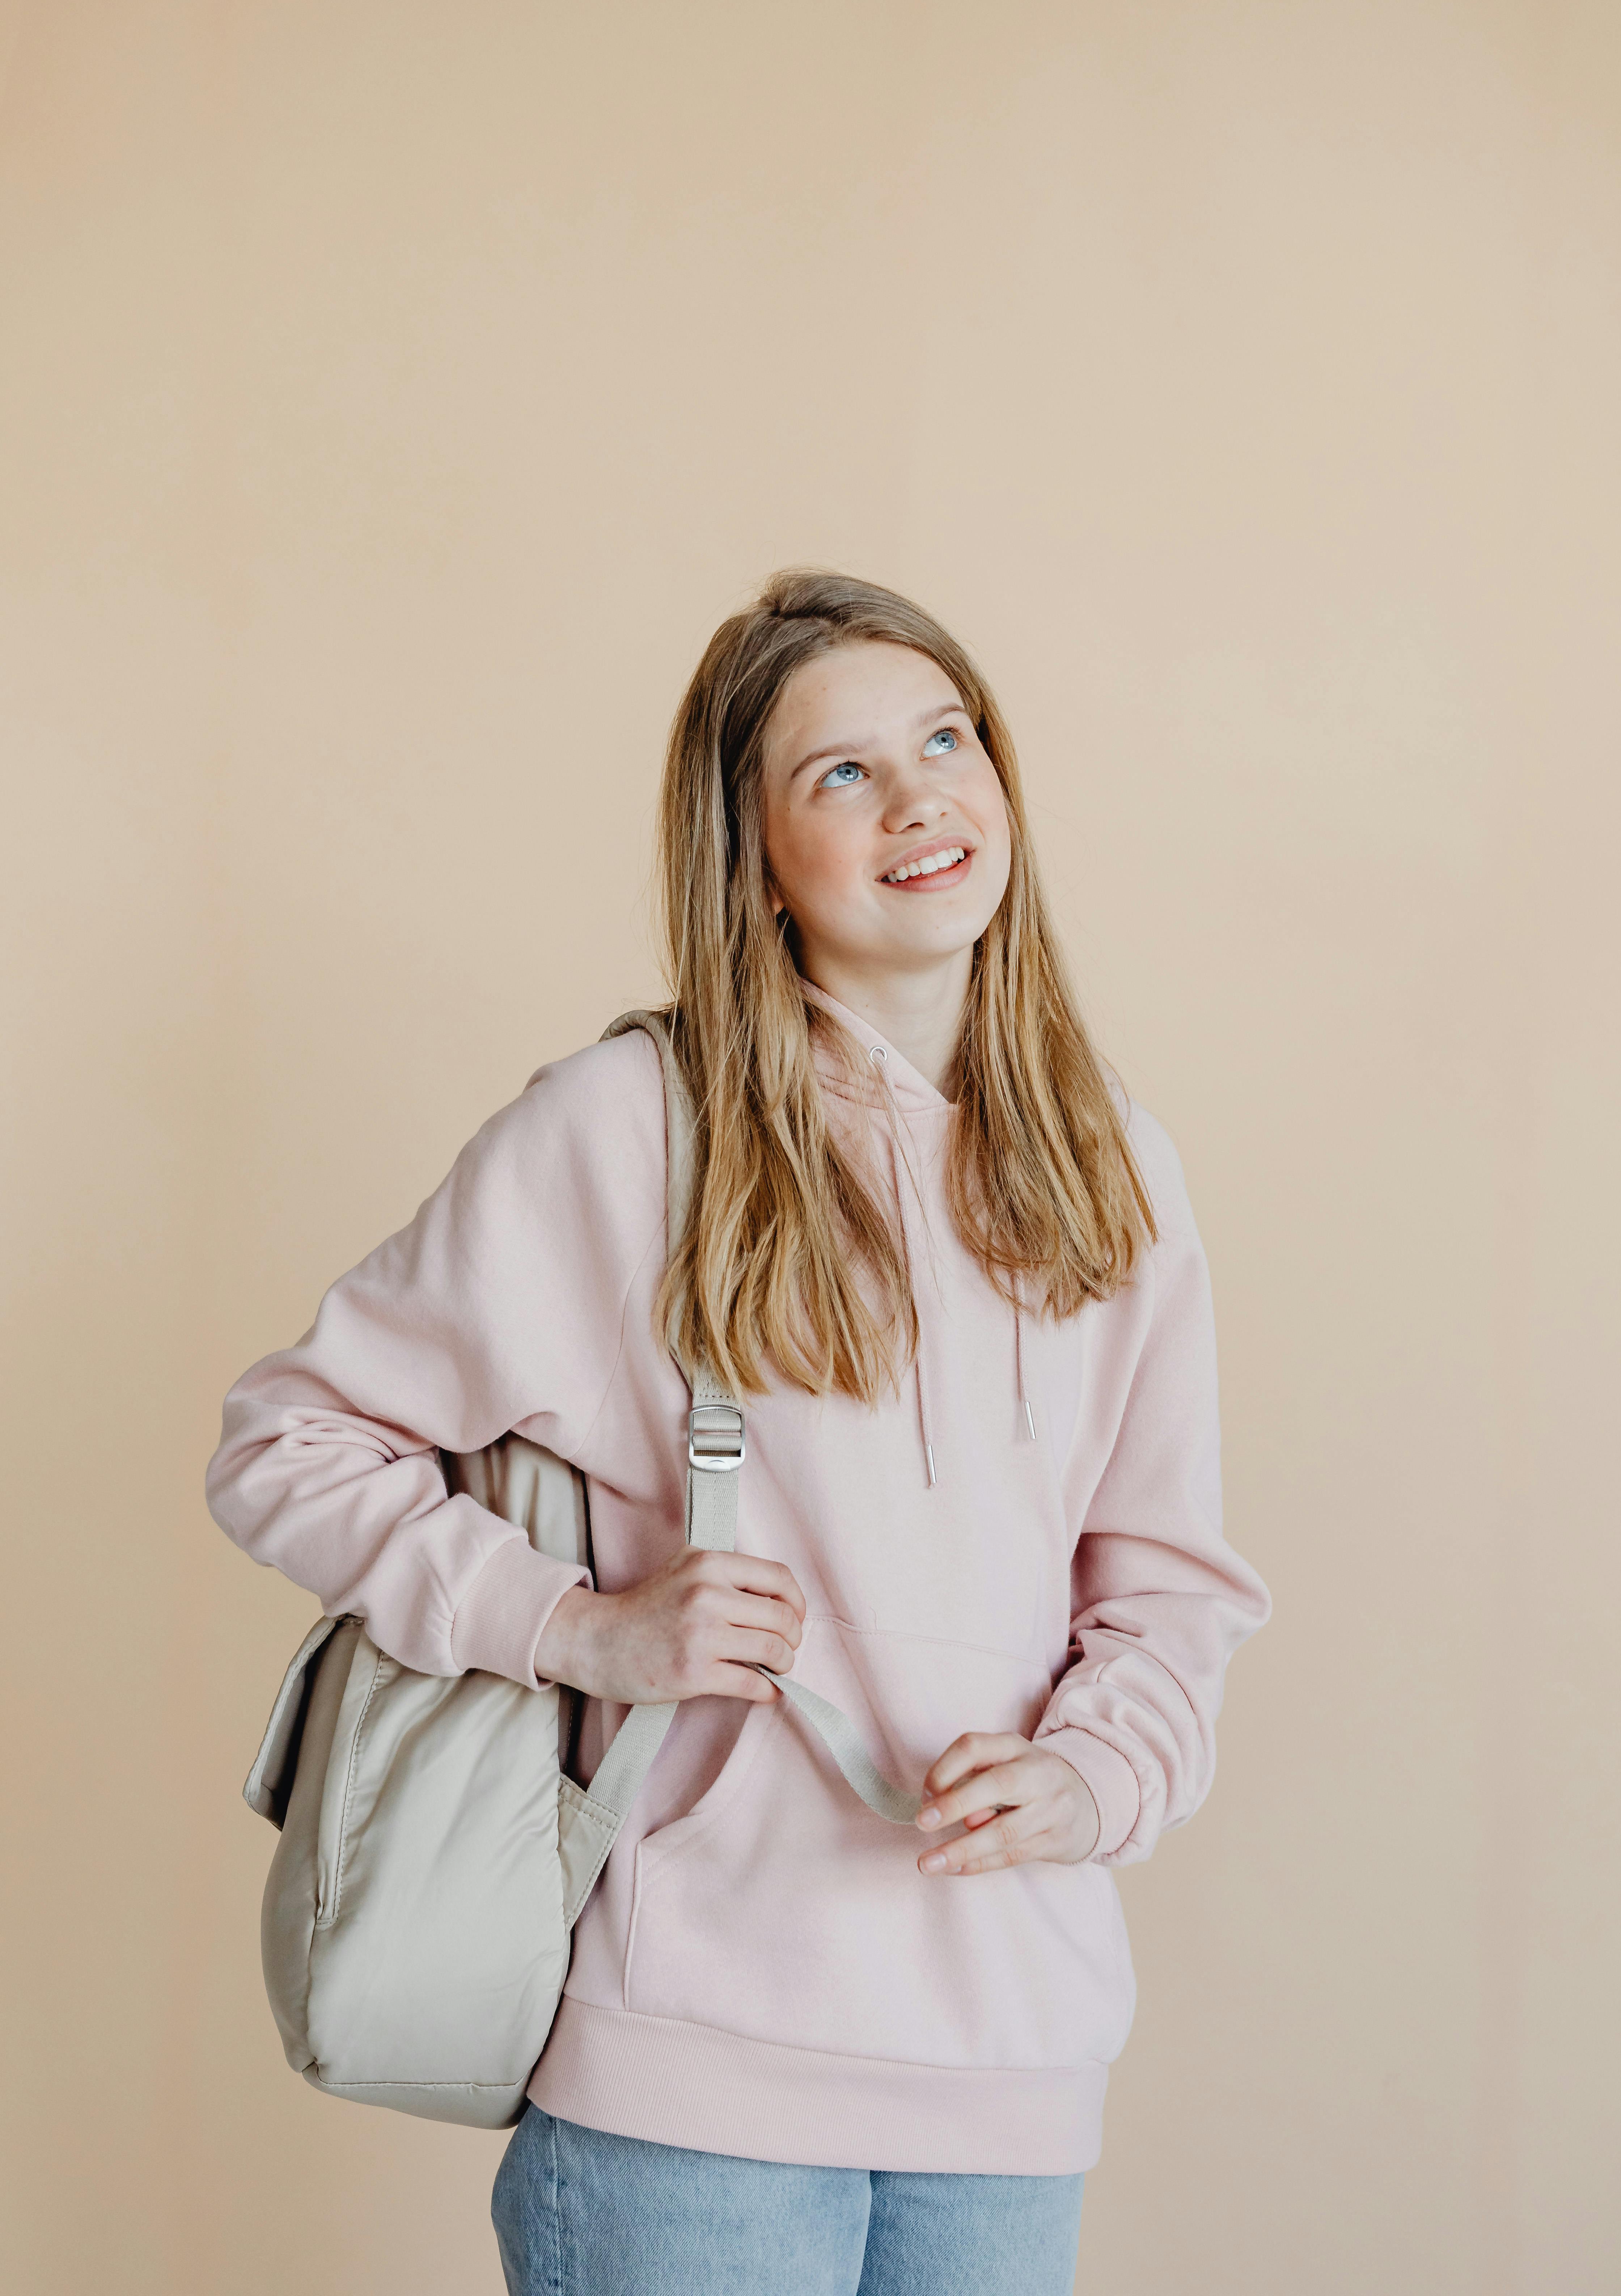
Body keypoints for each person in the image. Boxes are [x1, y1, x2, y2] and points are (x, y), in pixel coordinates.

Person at [207, 569, 1270, 2296]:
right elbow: (289, 1439)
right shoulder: (633, 1127)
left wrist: (1091, 1782)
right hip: (684, 2088)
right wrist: (575, 1628)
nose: (920, 795)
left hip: (1012, 2087)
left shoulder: (1114, 1167)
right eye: (839, 774)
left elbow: (1168, 1597)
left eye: (946, 739)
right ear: (754, 863)